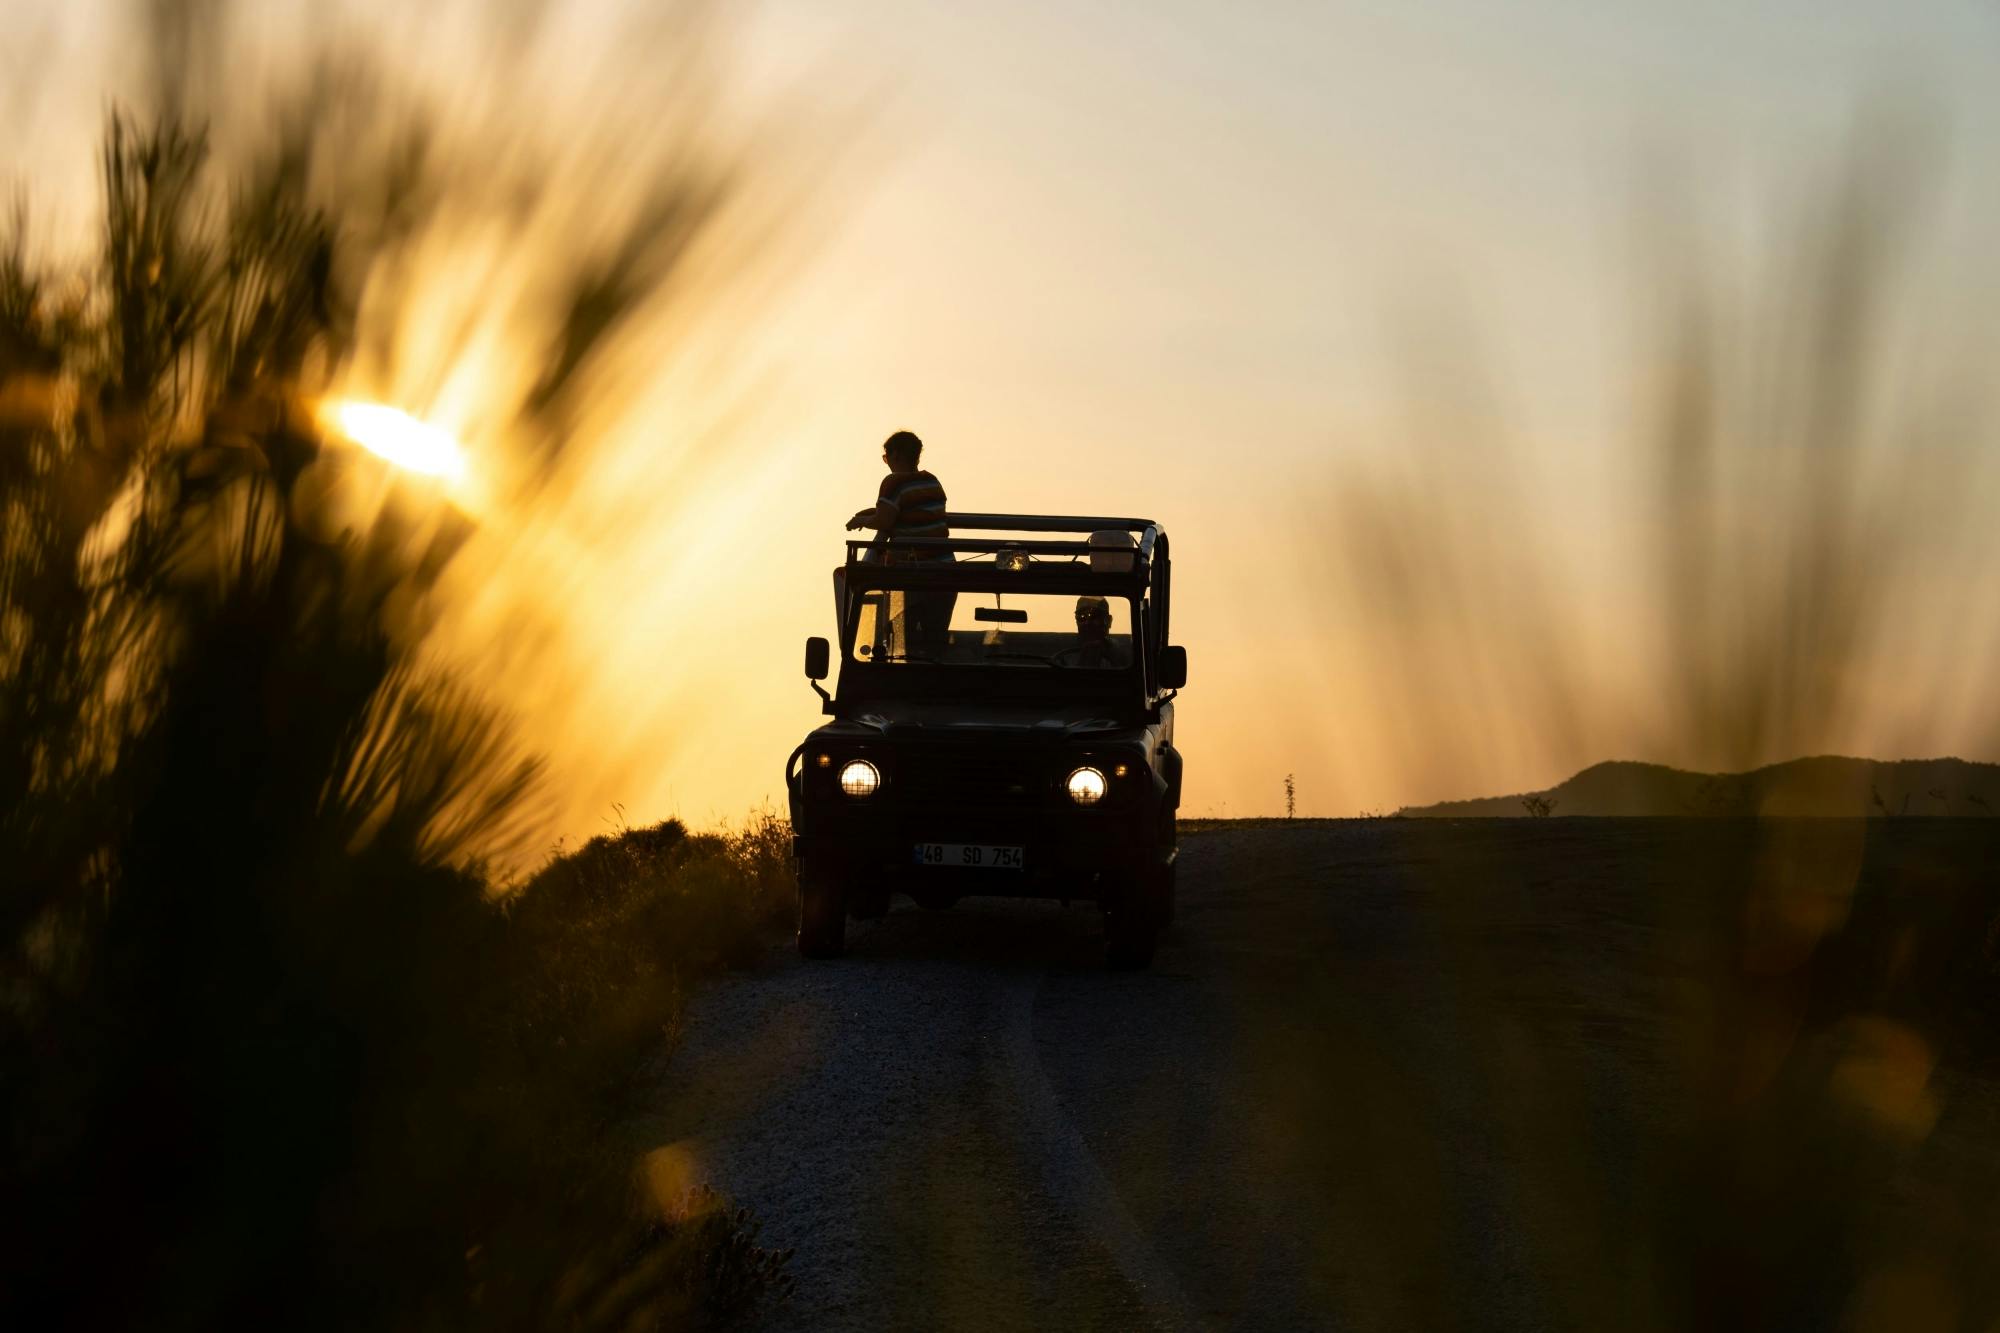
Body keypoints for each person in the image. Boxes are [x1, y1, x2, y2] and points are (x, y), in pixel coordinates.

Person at [845, 430, 955, 657]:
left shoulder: (893, 482)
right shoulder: (931, 481)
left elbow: (885, 519)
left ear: (895, 455)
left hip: (913, 573)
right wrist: (875, 512)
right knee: (935, 642)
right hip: (945, 571)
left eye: (886, 457)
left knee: (902, 643)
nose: (886, 463)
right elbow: (913, 511)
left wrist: (861, 520)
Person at [1067, 595, 1129, 669]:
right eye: (1081, 616)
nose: (1087, 622)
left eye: (1095, 616)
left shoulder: (1122, 652)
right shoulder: (1065, 652)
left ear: (1108, 621)